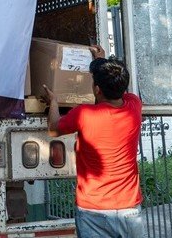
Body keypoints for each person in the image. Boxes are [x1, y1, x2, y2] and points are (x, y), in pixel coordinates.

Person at [42, 45, 145, 238]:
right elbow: (118, 90)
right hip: (129, 209)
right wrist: (101, 62)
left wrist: (54, 102)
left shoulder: (84, 114)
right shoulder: (134, 106)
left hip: (93, 210)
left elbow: (53, 129)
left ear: (97, 90)